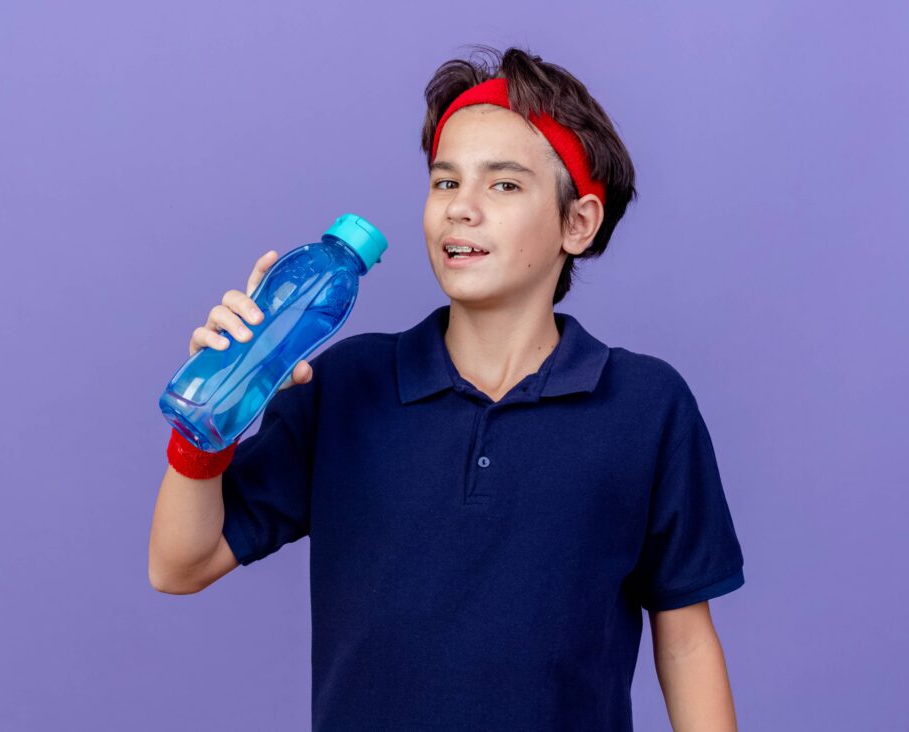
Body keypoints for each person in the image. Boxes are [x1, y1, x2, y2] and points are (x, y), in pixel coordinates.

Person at [149, 44, 745, 732]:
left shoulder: (646, 406)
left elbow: (688, 641)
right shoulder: (345, 385)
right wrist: (212, 411)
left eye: (503, 185)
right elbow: (179, 564)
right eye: (443, 182)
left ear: (578, 223)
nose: (461, 208)